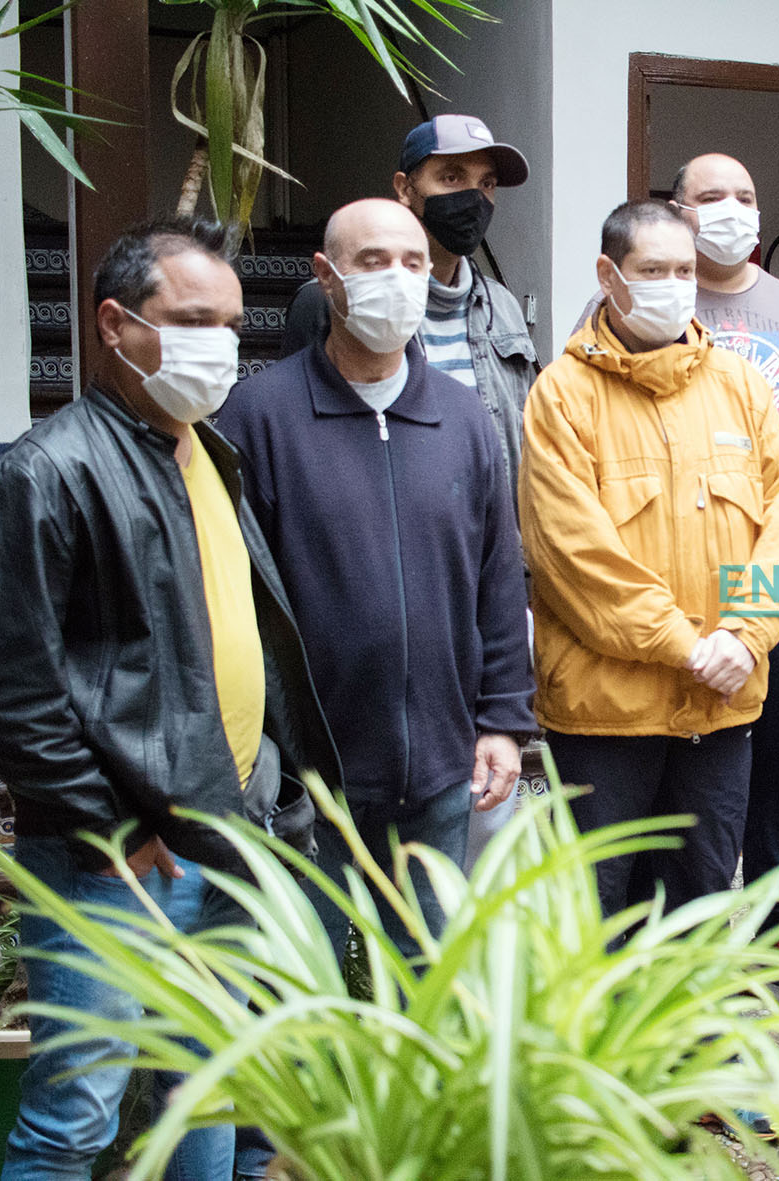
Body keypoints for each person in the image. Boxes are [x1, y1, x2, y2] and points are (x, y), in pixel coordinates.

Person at [0, 216, 338, 1180]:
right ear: (114, 325)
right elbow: (6, 692)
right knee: (76, 1111)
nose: (223, 345)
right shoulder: (42, 475)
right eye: (193, 319)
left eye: (234, 323)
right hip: (116, 858)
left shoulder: (206, 451)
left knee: (204, 1085)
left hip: (229, 827)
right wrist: (113, 826)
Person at [216, 198, 535, 956]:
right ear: (326, 276)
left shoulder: (461, 417)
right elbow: (236, 599)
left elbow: (497, 580)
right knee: (305, 984)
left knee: (430, 974)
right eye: (372, 262)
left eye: (412, 262)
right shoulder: (257, 417)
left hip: (439, 765)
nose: (396, 279)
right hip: (307, 777)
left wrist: (503, 721)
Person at [519, 199, 779, 922]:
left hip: (721, 703)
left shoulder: (740, 386)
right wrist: (685, 645)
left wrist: (745, 634)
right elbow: (574, 555)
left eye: (684, 269)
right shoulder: (563, 395)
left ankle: (695, 1042)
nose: (675, 285)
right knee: (597, 909)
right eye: (654, 270)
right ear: (609, 276)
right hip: (604, 715)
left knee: (701, 900)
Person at [666, 152, 779, 1012]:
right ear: (677, 208)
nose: (732, 209)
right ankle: (691, 959)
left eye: (746, 194)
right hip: (678, 580)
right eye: (712, 196)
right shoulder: (644, 296)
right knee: (690, 774)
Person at [280, 113, 539, 502]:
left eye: (486, 183)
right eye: (452, 177)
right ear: (405, 188)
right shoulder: (333, 300)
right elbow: (296, 437)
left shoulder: (501, 307)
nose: (473, 198)